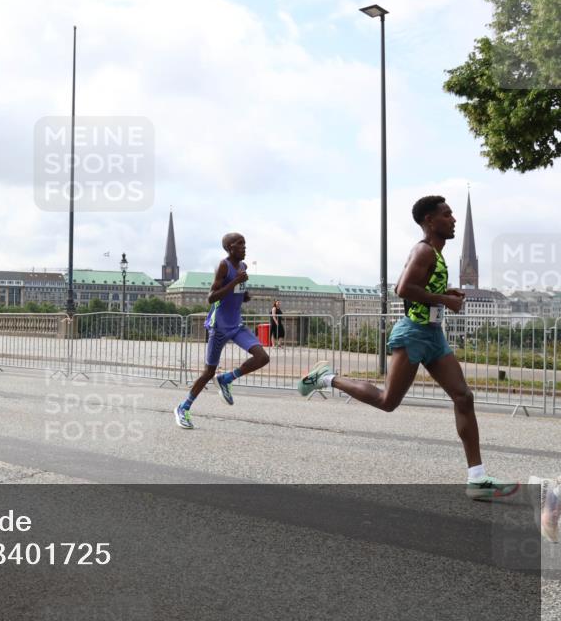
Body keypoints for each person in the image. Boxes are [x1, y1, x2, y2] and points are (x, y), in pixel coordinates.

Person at [299, 195, 517, 500]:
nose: (453, 219)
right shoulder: (424, 250)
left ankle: (477, 479)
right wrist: (445, 300)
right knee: (388, 401)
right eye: (447, 214)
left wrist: (445, 292)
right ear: (429, 220)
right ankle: (325, 378)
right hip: (413, 334)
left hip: (433, 335)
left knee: (463, 396)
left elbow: (416, 287)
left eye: (453, 214)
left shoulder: (437, 255)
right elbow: (403, 288)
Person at [174, 233, 269, 429]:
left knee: (262, 357)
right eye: (240, 244)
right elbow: (211, 297)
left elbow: (239, 296)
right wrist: (234, 283)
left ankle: (226, 379)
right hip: (219, 326)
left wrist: (245, 293)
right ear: (229, 248)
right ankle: (183, 408)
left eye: (245, 244)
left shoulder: (242, 267)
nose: (244, 247)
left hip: (236, 324)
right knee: (208, 372)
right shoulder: (223, 266)